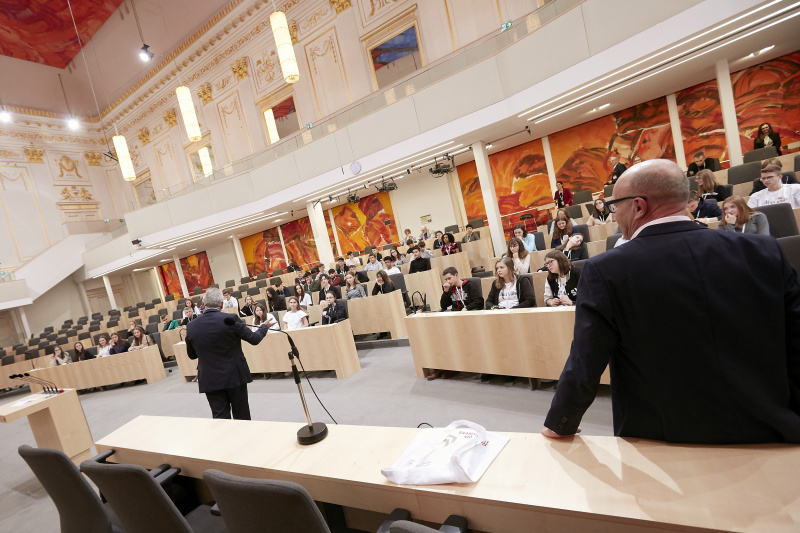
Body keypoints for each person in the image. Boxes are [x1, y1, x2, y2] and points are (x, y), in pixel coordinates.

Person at [542, 158, 800, 444]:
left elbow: (586, 358)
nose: (614, 216)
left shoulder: (606, 271)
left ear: (639, 205)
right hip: (772, 430)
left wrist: (561, 422)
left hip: (665, 442)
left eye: (616, 206)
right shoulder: (764, 251)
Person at [186, 287, 269, 420]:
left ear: (203, 304)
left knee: (220, 419)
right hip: (234, 374)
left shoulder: (191, 326)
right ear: (221, 304)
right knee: (241, 415)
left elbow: (191, 355)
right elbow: (254, 339)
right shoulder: (231, 318)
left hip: (209, 377)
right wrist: (264, 327)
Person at [428, 267, 483, 381]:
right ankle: (442, 367)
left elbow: (479, 301)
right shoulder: (451, 289)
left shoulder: (469, 285)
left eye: (449, 278)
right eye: (446, 279)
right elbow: (443, 306)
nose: (448, 281)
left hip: (468, 317)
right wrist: (446, 292)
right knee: (441, 339)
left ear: (456, 275)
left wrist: (467, 308)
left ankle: (451, 367)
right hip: (454, 319)